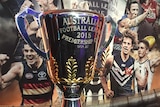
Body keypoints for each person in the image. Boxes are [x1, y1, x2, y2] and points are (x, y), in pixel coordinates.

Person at [0, 36, 55, 106]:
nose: (29, 54)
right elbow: (1, 84)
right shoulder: (19, 68)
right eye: (26, 51)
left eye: (32, 50)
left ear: (39, 52)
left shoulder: (48, 67)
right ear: (23, 52)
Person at [99, 29, 136, 98]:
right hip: (115, 100)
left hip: (129, 100)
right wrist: (106, 90)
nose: (126, 46)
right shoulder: (111, 60)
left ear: (132, 46)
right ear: (121, 44)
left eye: (128, 44)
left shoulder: (134, 63)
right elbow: (102, 76)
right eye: (124, 43)